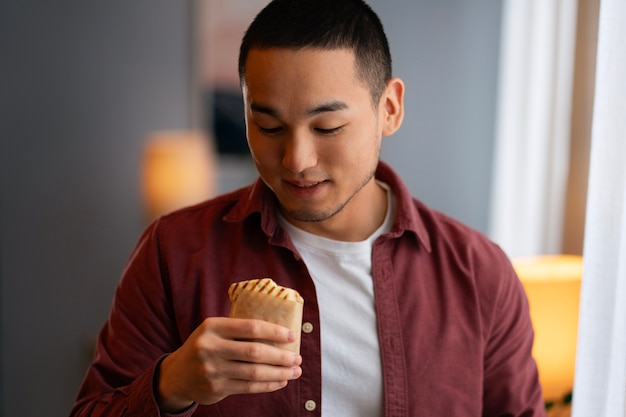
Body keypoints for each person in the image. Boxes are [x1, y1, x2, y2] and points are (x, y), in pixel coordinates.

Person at [70, 0, 546, 416]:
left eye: (328, 127)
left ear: (390, 109)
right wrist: (172, 385)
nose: (297, 161)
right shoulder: (174, 251)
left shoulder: (481, 274)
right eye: (270, 126)